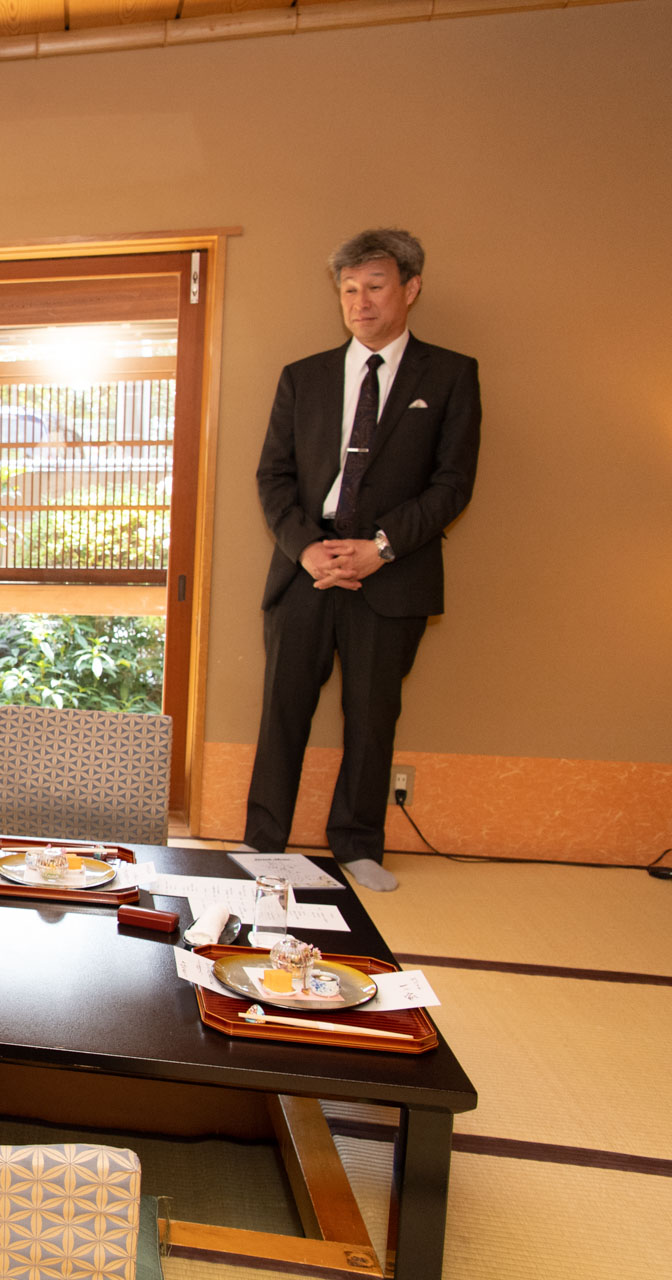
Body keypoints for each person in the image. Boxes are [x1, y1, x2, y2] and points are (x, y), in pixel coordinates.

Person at [244, 229, 481, 892]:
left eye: (374, 286)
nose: (360, 301)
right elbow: (274, 476)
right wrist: (308, 548)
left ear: (410, 289)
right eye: (349, 289)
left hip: (392, 571)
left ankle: (356, 843)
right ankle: (264, 842)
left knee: (373, 715)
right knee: (281, 708)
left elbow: (452, 483)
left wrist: (379, 549)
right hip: (305, 569)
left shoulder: (451, 375)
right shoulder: (305, 376)